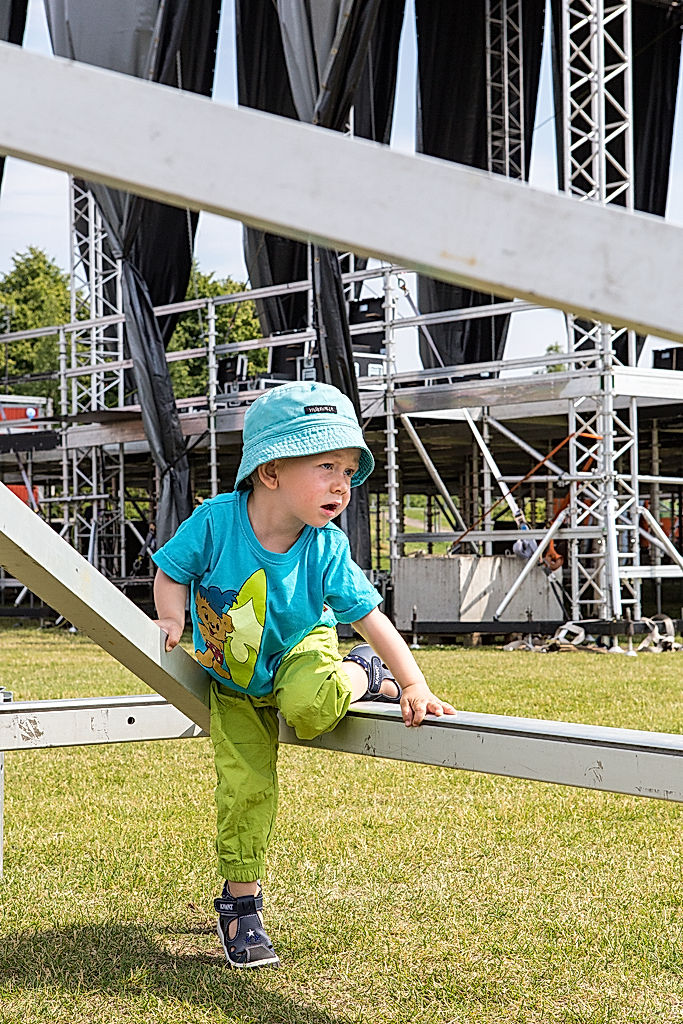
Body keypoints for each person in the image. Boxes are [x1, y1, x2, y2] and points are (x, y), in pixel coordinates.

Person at [151, 380, 456, 969]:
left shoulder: (326, 545)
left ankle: (363, 674)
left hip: (301, 647)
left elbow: (368, 616)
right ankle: (241, 903)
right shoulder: (214, 522)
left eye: (349, 471)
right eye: (326, 467)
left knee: (310, 707)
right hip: (235, 678)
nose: (342, 484)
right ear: (270, 471)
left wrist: (414, 683)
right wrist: (171, 615)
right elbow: (172, 570)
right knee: (243, 790)